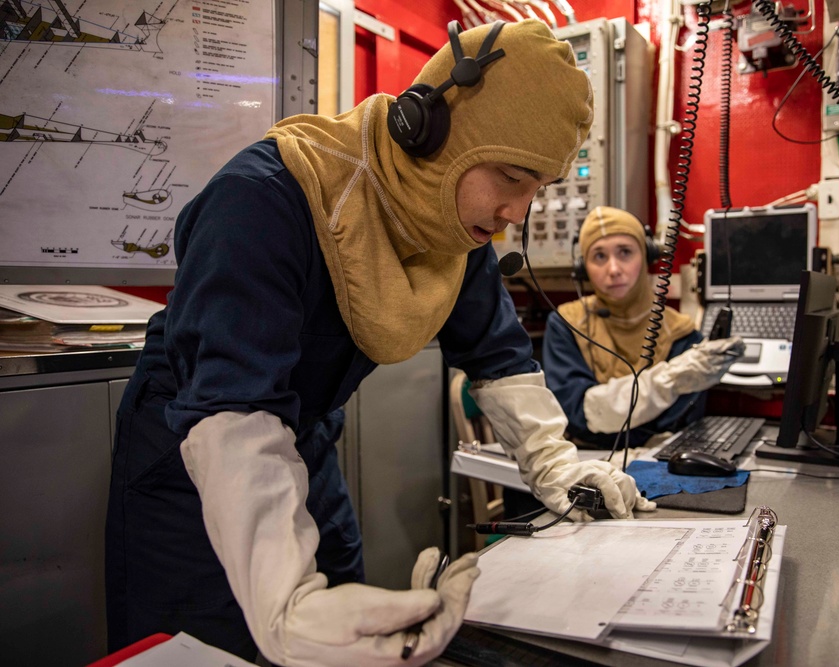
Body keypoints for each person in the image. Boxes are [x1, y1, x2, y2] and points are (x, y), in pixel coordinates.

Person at [104, 19, 658, 667]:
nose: (517, 211)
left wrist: (560, 470)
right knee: (215, 643)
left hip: (306, 446)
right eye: (511, 175)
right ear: (428, 129)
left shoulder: (454, 230)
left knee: (345, 625)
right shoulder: (261, 202)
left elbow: (500, 358)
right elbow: (233, 408)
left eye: (537, 187)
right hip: (195, 462)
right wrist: (282, 594)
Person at [543, 206, 745, 449]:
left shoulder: (680, 331)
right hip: (586, 459)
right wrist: (671, 379)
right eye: (599, 256)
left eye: (625, 252)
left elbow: (677, 421)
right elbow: (576, 414)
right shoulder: (567, 322)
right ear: (583, 267)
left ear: (646, 255)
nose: (614, 269)